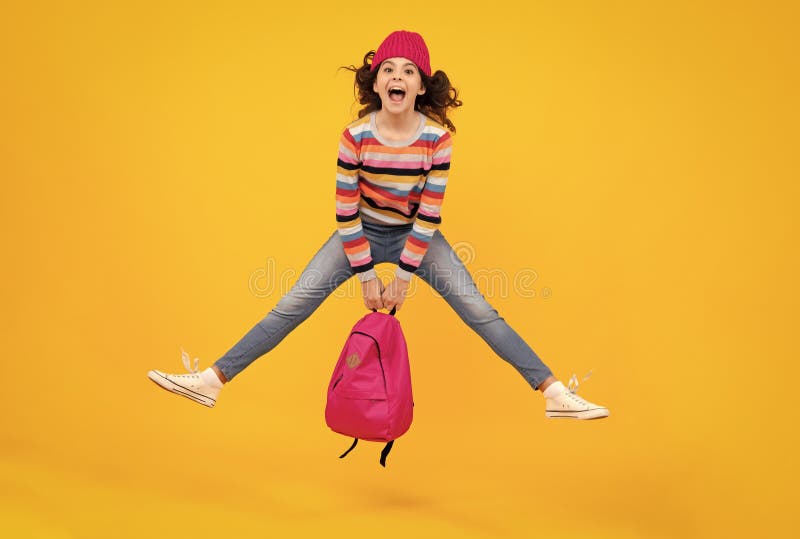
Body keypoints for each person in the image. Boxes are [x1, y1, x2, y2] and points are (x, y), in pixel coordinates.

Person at [147, 30, 609, 420]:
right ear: (377, 81)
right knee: (291, 306)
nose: (398, 77)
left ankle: (553, 393)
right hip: (360, 231)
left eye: (409, 71)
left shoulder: (437, 141)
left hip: (415, 236)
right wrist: (367, 273)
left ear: (421, 87)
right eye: (389, 69)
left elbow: (429, 211)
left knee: (481, 312)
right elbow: (345, 208)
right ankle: (211, 381)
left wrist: (403, 276)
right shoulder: (356, 137)